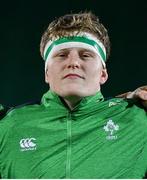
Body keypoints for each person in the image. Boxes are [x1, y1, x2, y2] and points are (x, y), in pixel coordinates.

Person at [0, 11, 147, 179]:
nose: (73, 62)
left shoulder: (138, 121)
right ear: (47, 73)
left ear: (103, 74)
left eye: (86, 55)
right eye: (62, 55)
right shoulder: (8, 126)